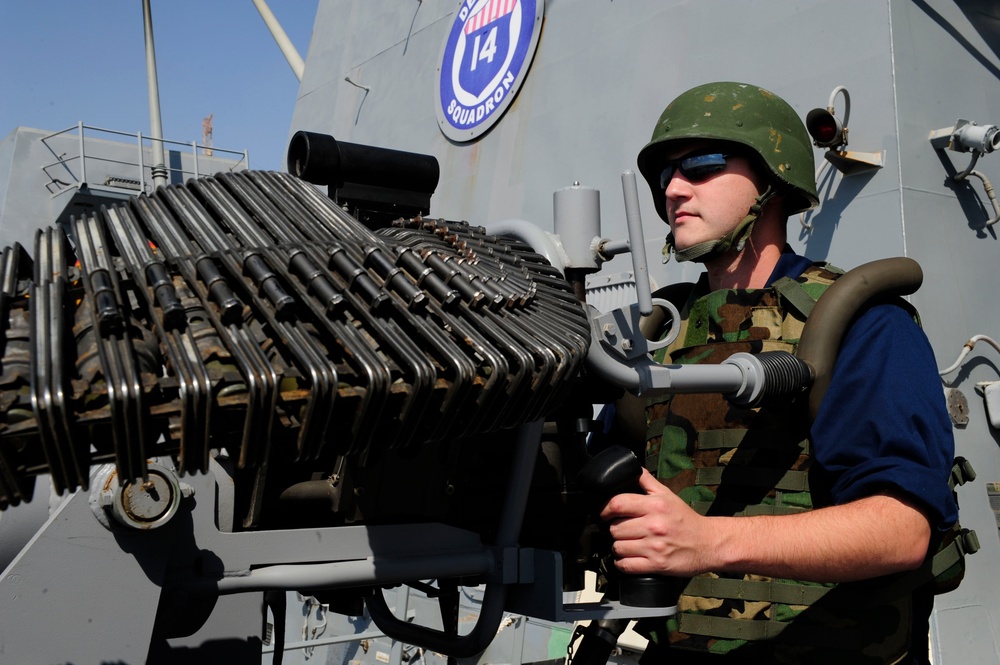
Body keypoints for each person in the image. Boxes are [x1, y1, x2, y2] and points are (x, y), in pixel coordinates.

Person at [598, 82, 959, 664]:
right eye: (664, 174)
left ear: (772, 179)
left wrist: (706, 542)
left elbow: (901, 527)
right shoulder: (656, 337)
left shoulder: (858, 323)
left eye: (702, 165)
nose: (674, 188)